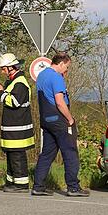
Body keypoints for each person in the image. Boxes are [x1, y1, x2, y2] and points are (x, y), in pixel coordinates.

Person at [32, 52, 86, 196]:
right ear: (61, 63)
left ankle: (38, 186)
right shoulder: (56, 77)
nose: (66, 71)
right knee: (70, 152)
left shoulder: (42, 75)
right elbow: (60, 102)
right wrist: (70, 119)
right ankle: (73, 187)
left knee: (47, 154)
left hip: (46, 119)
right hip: (59, 119)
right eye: (66, 67)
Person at [0, 53, 34, 192]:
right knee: (11, 154)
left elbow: (14, 102)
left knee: (17, 155)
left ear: (11, 67)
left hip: (19, 128)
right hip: (12, 127)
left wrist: (0, 93)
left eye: (3, 68)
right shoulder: (12, 81)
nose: (2, 71)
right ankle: (11, 182)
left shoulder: (20, 83)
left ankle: (21, 184)